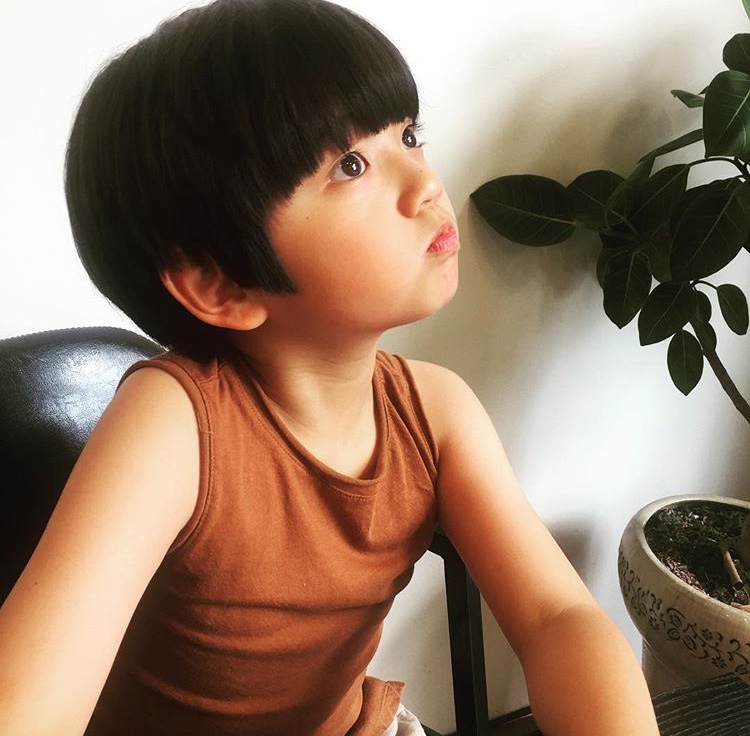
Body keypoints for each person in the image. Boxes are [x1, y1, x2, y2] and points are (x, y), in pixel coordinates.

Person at [0, 1, 660, 734]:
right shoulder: (174, 427)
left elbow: (556, 618)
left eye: (409, 135)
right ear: (220, 284)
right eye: (350, 166)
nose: (425, 184)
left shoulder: (436, 411)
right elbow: (27, 707)